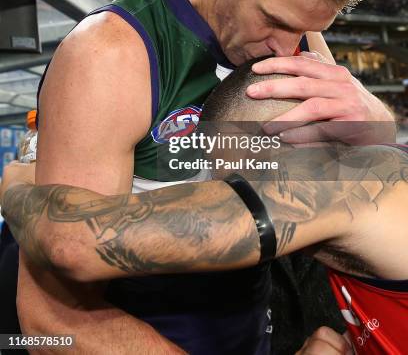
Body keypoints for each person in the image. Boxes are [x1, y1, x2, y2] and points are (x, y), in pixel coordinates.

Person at [16, 0, 394, 354]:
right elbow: (48, 319)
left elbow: (360, 184)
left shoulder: (298, 38)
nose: (290, 49)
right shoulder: (109, 57)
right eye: (275, 21)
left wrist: (376, 121)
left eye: (307, 30)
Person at [2, 61, 407, 355]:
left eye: (242, 183)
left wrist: (19, 176)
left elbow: (71, 240)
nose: (226, 198)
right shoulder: (362, 213)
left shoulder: (342, 185)